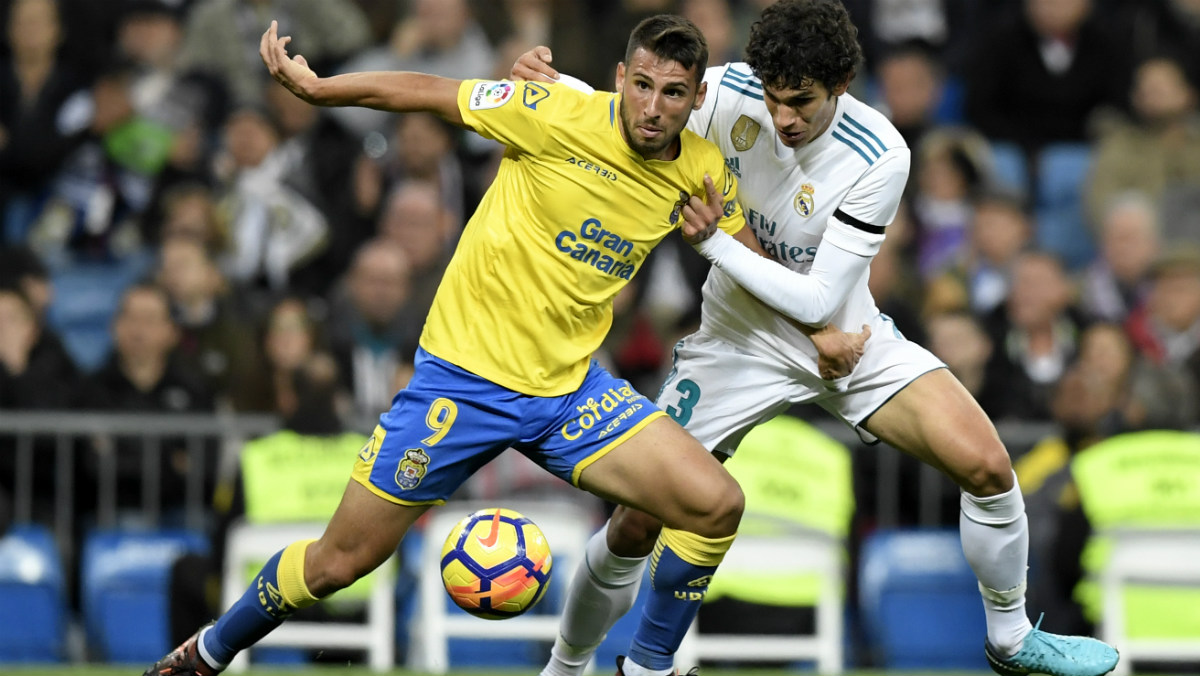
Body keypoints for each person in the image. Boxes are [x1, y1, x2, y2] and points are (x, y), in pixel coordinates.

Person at [142, 13, 865, 676]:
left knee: (715, 504)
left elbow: (750, 262)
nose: (652, 106)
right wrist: (321, 89)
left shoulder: (701, 166)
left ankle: (645, 668)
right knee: (338, 563)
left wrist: (821, 332)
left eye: (672, 93)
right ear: (620, 78)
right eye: (640, 85)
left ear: (695, 96)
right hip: (460, 386)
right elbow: (429, 90)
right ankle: (206, 652)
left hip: (568, 395)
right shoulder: (550, 112)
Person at [513, 1, 1120, 675]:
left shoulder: (881, 153)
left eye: (801, 102)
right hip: (736, 340)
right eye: (774, 100)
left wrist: (714, 239)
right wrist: (553, 84)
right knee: (637, 521)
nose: (783, 119)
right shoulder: (733, 90)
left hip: (846, 335)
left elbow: (819, 299)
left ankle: (1009, 641)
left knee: (987, 465)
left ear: (844, 82)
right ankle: (567, 667)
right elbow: (635, 109)